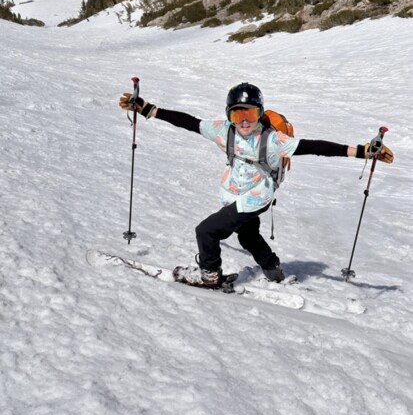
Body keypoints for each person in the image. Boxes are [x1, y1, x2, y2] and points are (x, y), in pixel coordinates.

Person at [119, 82, 393, 286]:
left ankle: (209, 275)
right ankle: (272, 268)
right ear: (229, 115)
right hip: (235, 192)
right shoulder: (222, 130)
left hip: (256, 196)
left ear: (260, 113)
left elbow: (314, 146)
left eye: (251, 113)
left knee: (206, 232)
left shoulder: (273, 140)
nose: (245, 121)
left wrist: (361, 150)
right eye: (238, 115)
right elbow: (188, 122)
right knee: (247, 235)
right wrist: (146, 109)